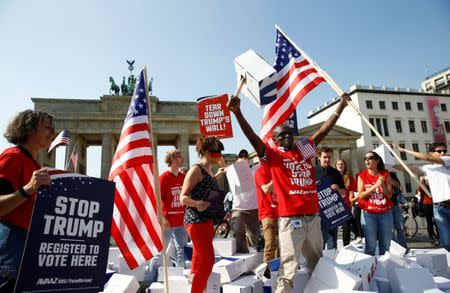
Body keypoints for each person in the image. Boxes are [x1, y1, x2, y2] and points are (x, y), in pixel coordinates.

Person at [228, 93, 351, 293]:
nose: (287, 136)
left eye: (288, 133)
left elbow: (323, 131)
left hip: (313, 219)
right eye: (281, 135)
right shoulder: (273, 156)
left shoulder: (304, 151)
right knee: (288, 270)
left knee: (317, 265)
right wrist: (238, 113)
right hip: (291, 222)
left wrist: (340, 107)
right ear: (275, 141)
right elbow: (253, 138)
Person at [0, 110, 54, 290]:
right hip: (11, 243)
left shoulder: (36, 165)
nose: (52, 133)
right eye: (47, 128)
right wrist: (28, 189)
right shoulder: (13, 157)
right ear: (30, 129)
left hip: (29, 242)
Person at [179, 136, 226, 293]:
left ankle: (195, 286)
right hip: (195, 220)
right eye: (216, 152)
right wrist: (196, 204)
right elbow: (182, 197)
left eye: (220, 152)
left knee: (199, 258)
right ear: (206, 152)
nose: (219, 155)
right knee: (207, 261)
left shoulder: (209, 170)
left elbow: (206, 187)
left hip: (206, 220)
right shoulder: (196, 169)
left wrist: (218, 174)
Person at [144, 150, 189, 286]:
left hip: (181, 221)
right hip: (167, 222)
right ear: (172, 159)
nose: (182, 157)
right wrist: (161, 216)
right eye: (178, 156)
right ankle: (148, 280)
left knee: (182, 251)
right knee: (160, 253)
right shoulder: (163, 178)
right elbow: (156, 199)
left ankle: (180, 280)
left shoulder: (183, 177)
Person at [394, 143, 450, 251]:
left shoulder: (447, 160)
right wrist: (391, 165)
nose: (443, 153)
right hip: (439, 207)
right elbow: (410, 169)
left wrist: (404, 150)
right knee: (446, 241)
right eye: (439, 151)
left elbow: (425, 157)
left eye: (444, 151)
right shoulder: (428, 168)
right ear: (432, 153)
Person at [358, 151, 393, 256]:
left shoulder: (385, 174)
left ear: (377, 160)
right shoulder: (362, 175)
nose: (367, 160)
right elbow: (360, 195)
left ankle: (384, 267)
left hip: (385, 213)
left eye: (370, 158)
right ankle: (369, 269)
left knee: (386, 244)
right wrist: (375, 186)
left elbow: (390, 195)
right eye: (365, 159)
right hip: (368, 214)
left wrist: (381, 185)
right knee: (371, 244)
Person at [314, 147, 346, 250]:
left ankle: (331, 264)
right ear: (319, 157)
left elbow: (344, 193)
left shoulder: (336, 173)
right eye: (324, 157)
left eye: (329, 157)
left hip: (332, 211)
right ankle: (320, 265)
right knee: (319, 243)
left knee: (332, 243)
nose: (327, 159)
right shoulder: (312, 171)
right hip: (317, 213)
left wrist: (338, 190)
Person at [229, 149, 260, 253]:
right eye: (241, 156)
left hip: (254, 208)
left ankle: (251, 254)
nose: (243, 158)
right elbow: (222, 164)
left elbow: (263, 159)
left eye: (245, 156)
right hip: (239, 208)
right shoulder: (232, 171)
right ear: (237, 159)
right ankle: (242, 253)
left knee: (253, 235)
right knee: (238, 230)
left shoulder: (255, 169)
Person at [254, 162, 278, 274]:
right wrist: (278, 177)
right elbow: (266, 189)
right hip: (267, 212)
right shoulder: (260, 171)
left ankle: (277, 270)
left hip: (280, 211)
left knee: (281, 243)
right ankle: (266, 273)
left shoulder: (276, 168)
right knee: (270, 242)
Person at [335, 159, 360, 245]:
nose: (340, 165)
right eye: (338, 164)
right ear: (336, 166)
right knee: (348, 223)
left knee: (347, 225)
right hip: (337, 206)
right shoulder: (332, 178)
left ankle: (347, 244)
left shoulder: (349, 178)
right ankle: (358, 237)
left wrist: (352, 200)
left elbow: (352, 192)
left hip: (347, 205)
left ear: (345, 166)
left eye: (342, 164)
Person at [389, 171, 408, 250]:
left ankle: (404, 248)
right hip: (384, 207)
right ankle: (394, 249)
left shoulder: (391, 174)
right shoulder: (376, 175)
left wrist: (389, 179)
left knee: (400, 227)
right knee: (391, 230)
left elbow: (399, 186)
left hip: (395, 205)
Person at [418, 176, 439, 244]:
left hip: (435, 204)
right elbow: (420, 189)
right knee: (429, 222)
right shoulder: (423, 186)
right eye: (427, 180)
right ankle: (431, 237)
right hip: (426, 205)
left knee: (437, 222)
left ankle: (439, 236)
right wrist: (421, 180)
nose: (428, 181)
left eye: (429, 180)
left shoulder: (434, 185)